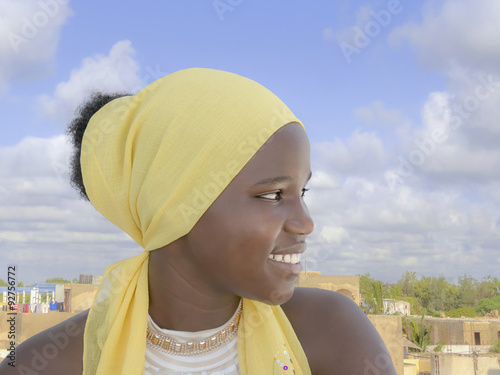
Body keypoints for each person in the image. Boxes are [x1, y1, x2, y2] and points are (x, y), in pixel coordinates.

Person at [0, 68, 397, 374]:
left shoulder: (331, 334)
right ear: (177, 206)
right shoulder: (49, 364)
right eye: (273, 195)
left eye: (302, 193)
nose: (305, 223)